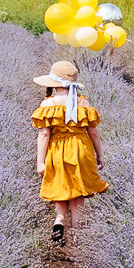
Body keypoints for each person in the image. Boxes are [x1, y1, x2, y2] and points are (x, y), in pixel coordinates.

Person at [32, 60, 106, 249]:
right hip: (81, 149)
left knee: (60, 185)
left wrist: (40, 162)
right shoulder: (83, 102)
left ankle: (59, 219)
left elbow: (44, 134)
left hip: (57, 150)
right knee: (77, 190)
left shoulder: (48, 103)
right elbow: (93, 132)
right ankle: (77, 236)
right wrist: (99, 155)